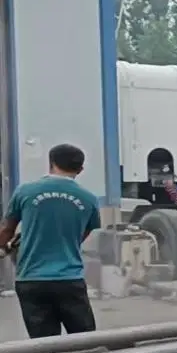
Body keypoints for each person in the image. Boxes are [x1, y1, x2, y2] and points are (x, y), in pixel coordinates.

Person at [0, 143, 102, 338]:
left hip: (31, 280)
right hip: (69, 280)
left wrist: (4, 247)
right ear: (80, 169)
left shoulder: (25, 192)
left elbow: (6, 230)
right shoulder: (88, 199)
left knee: (43, 346)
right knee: (86, 343)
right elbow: (83, 233)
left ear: (51, 162)